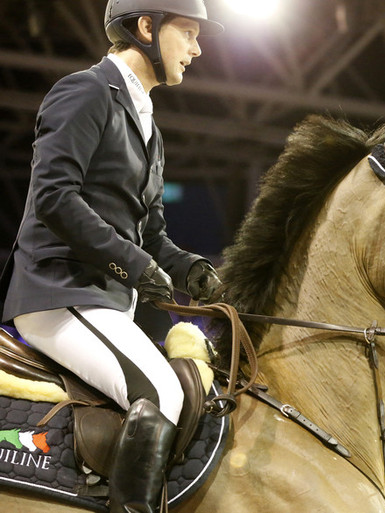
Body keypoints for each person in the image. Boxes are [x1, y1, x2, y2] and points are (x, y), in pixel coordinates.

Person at [0, 1, 223, 511]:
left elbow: (149, 234)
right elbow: (55, 196)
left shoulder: (152, 131)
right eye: (188, 33)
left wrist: (191, 269)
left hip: (103, 302)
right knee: (163, 396)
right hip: (62, 291)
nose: (197, 49)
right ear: (147, 28)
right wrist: (134, 264)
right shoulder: (85, 91)